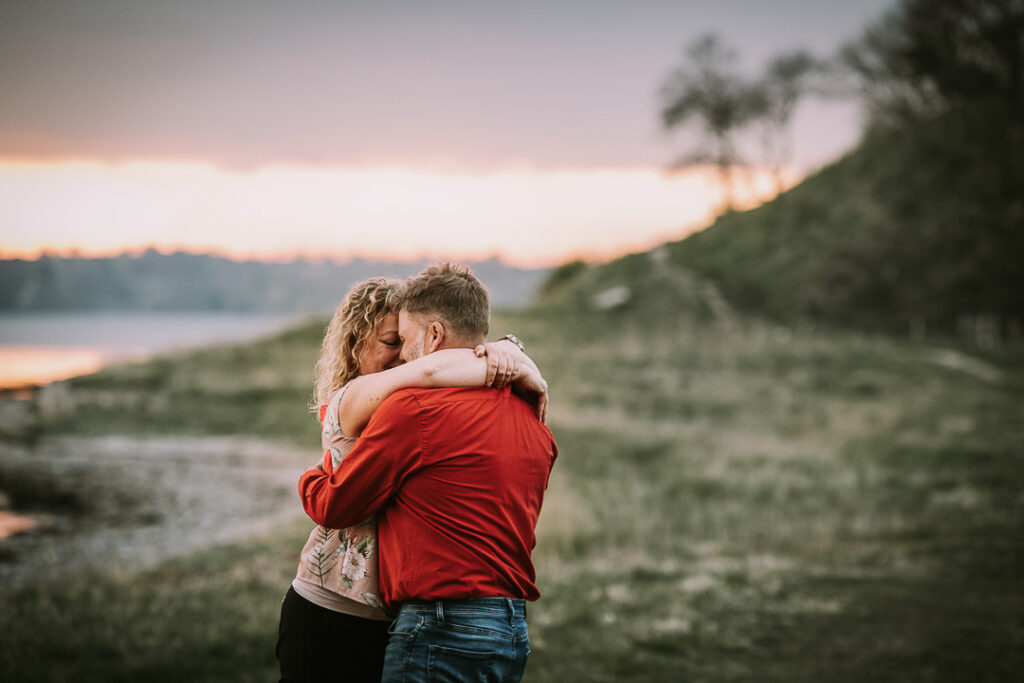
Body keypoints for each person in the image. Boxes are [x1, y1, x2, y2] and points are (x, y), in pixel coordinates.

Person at [277, 275, 548, 682]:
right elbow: (425, 372)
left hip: (426, 621)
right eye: (392, 341)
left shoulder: (416, 410)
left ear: (434, 334)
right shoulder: (527, 412)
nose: (403, 355)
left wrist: (506, 352)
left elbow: (335, 501)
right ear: (356, 345)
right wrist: (508, 354)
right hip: (342, 609)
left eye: (402, 339)